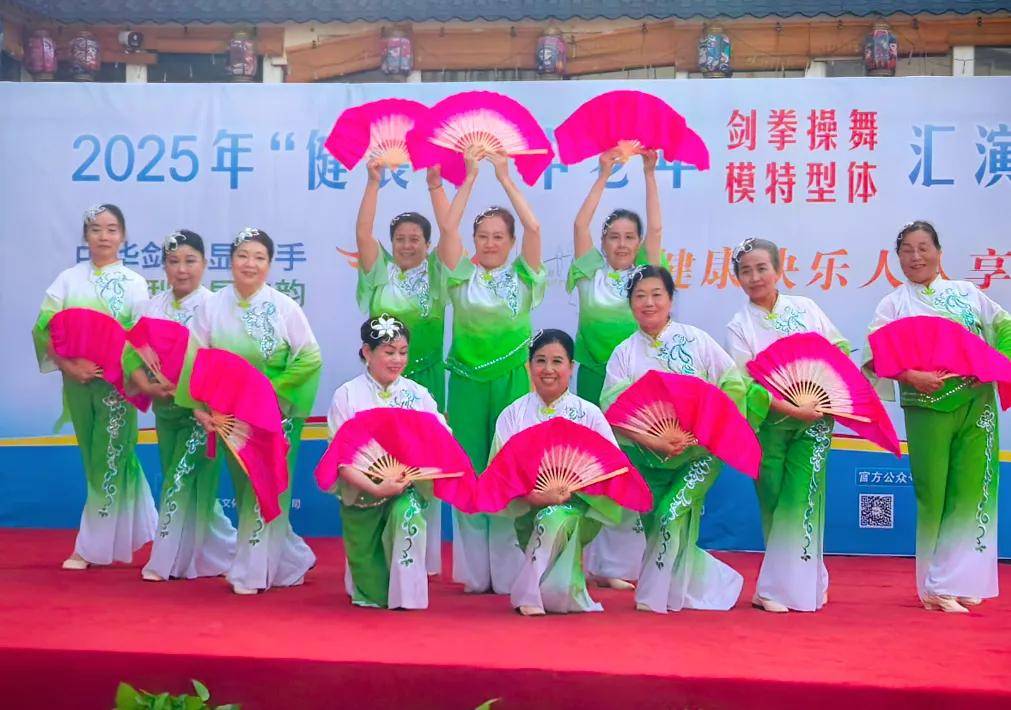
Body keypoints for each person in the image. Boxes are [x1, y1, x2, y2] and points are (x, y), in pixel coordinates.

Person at [866, 220, 1009, 613]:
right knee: (934, 494)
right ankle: (935, 586)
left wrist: (995, 365)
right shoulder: (893, 304)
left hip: (976, 402)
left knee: (973, 490)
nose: (916, 257)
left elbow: (1004, 328)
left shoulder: (967, 293)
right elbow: (876, 355)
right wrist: (912, 376)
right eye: (907, 250)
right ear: (898, 258)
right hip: (927, 406)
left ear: (939, 252)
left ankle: (962, 579)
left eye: (923, 247)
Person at [178, 227, 322, 595]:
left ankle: (251, 573)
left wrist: (269, 391)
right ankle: (290, 558)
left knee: (268, 487)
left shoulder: (284, 307)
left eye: (259, 257)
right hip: (232, 418)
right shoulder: (211, 306)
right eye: (243, 255)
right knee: (246, 490)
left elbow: (310, 357)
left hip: (275, 416)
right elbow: (194, 357)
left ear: (270, 264)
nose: (250, 264)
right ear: (230, 261)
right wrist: (199, 407)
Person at [602, 265, 746, 613]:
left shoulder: (696, 340)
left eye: (657, 294)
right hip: (648, 458)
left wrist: (704, 430)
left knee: (671, 513)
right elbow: (612, 411)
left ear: (670, 299)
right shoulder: (624, 353)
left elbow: (734, 385)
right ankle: (696, 587)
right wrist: (652, 440)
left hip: (699, 454)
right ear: (631, 304)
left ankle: (653, 596)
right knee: (656, 526)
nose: (649, 303)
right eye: (640, 296)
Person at [437, 147, 546, 594]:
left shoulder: (525, 276)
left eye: (499, 236)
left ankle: (507, 571)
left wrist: (504, 177)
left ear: (511, 241)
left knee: (508, 471)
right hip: (466, 382)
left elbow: (535, 227)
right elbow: (447, 229)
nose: (490, 243)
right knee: (468, 470)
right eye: (482, 236)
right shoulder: (460, 277)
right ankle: (473, 572)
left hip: (512, 382)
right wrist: (468, 178)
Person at [726, 237, 849, 613]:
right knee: (775, 503)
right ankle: (799, 582)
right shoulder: (739, 325)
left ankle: (780, 590)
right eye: (745, 271)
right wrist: (790, 407)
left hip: (815, 419)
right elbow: (746, 386)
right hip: (769, 426)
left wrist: (823, 394)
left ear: (779, 270)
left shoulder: (806, 308)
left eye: (762, 268)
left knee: (803, 499)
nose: (755, 277)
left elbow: (838, 350)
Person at [32, 204, 156, 570]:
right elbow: (44, 329)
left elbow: (142, 341)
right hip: (78, 383)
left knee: (110, 457)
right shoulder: (68, 280)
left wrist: (125, 371)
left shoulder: (134, 283)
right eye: (96, 229)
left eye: (112, 229)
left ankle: (89, 548)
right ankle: (140, 526)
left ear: (123, 236)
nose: (104, 236)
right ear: (86, 235)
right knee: (95, 458)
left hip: (117, 387)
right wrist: (70, 365)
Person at [569, 149, 664, 590]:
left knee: (633, 467)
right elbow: (579, 226)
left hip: (636, 387)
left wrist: (649, 174)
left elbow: (657, 230)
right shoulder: (589, 272)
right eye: (613, 237)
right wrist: (603, 175)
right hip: (592, 380)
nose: (621, 244)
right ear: (603, 243)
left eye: (629, 237)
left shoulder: (644, 277)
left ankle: (621, 564)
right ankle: (587, 559)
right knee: (594, 465)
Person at [354, 163, 451, 576]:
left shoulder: (439, 273)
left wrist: (435, 186)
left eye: (415, 239)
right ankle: (381, 545)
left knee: (424, 465)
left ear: (428, 244)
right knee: (382, 462)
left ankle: (420, 556)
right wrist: (373, 183)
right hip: (380, 384)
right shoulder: (380, 271)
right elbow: (363, 233)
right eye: (400, 239)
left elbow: (451, 232)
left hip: (426, 380)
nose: (407, 245)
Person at [124, 230, 236, 582]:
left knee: (179, 479)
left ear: (205, 264)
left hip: (202, 414)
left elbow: (224, 362)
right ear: (164, 266)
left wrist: (192, 392)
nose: (182, 269)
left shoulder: (216, 307)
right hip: (166, 411)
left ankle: (166, 561)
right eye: (174, 262)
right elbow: (131, 353)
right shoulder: (151, 307)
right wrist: (146, 384)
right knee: (191, 485)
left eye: (190, 261)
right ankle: (221, 551)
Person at [492, 329, 629, 615]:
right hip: (528, 506)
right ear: (529, 366)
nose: (548, 369)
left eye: (557, 361)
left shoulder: (589, 414)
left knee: (554, 516)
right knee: (548, 517)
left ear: (571, 367)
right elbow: (501, 474)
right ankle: (556, 589)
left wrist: (570, 490)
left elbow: (612, 470)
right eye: (540, 361)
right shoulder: (513, 414)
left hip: (579, 507)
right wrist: (535, 495)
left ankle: (527, 595)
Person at [325, 316, 445, 609]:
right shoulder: (347, 395)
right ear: (367, 352)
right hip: (363, 492)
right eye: (389, 352)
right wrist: (377, 488)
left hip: (405, 487)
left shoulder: (417, 395)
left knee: (409, 513)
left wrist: (410, 474)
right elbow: (342, 460)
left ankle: (408, 596)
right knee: (371, 592)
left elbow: (441, 441)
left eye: (403, 352)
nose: (397, 360)